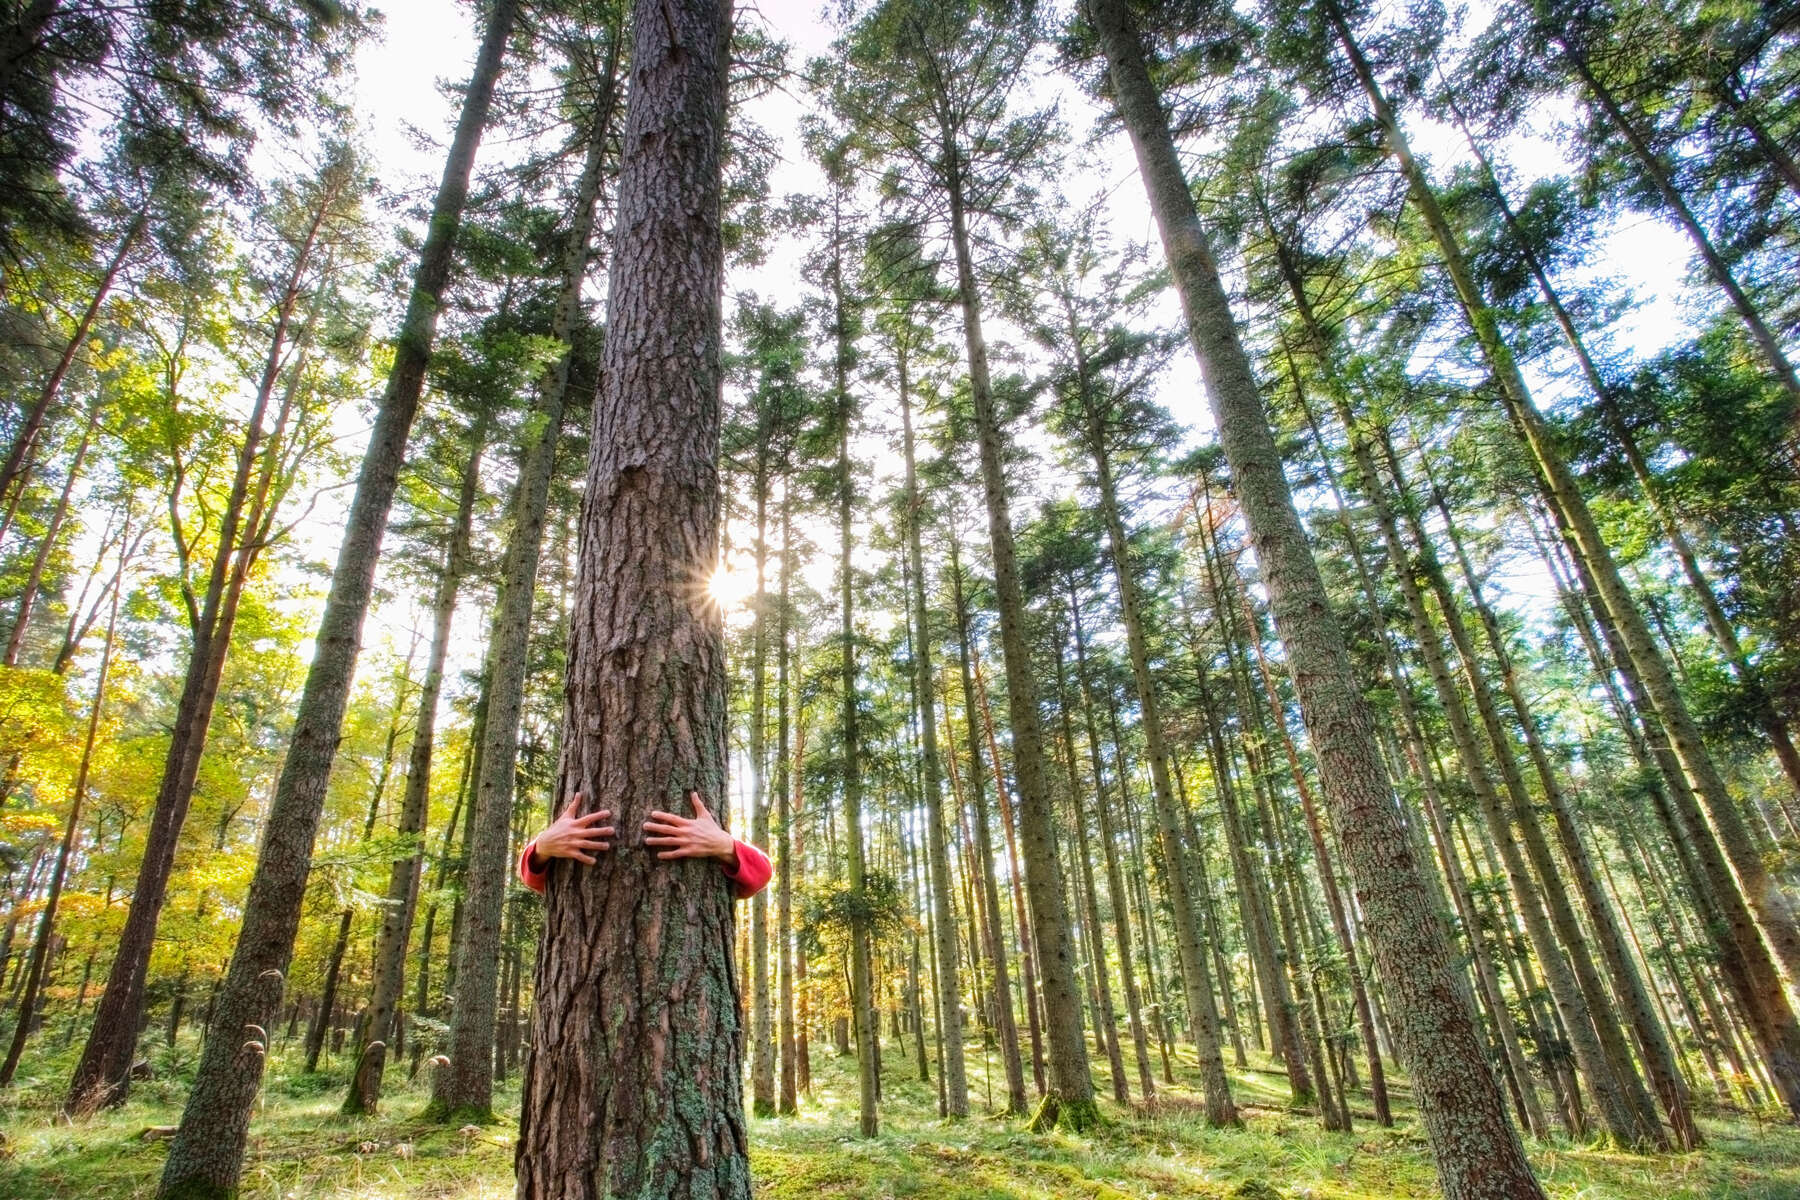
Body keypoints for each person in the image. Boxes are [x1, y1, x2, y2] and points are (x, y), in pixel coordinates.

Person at [518, 787, 771, 899]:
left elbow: (761, 873)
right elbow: (532, 876)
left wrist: (727, 846)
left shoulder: (714, 844)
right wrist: (542, 847)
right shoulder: (563, 840)